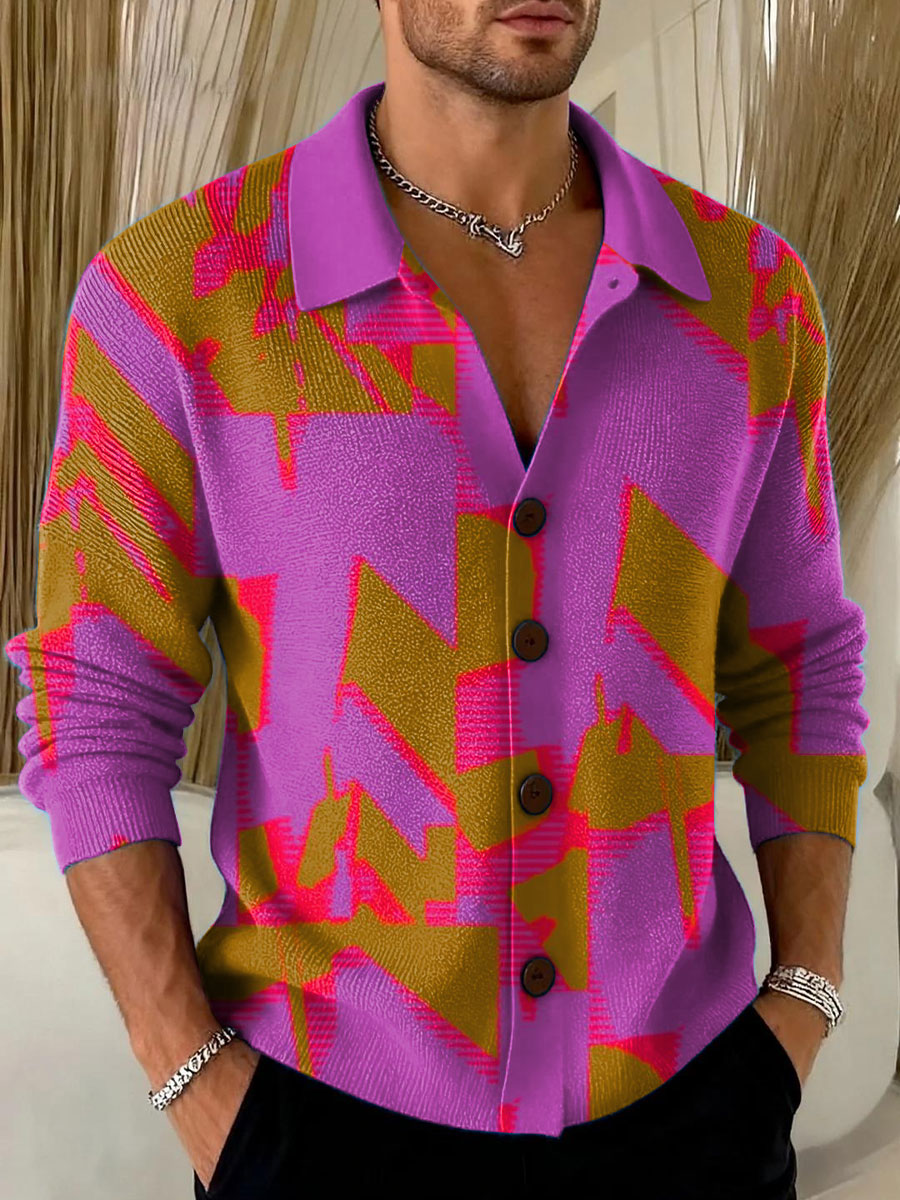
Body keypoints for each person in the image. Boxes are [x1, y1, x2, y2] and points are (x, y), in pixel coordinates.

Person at [4, 1, 868, 1197]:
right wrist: (196, 1085)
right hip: (319, 1128)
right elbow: (96, 705)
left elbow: (802, 662)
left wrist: (806, 1000)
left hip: (697, 1113)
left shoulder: (751, 295)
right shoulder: (180, 295)